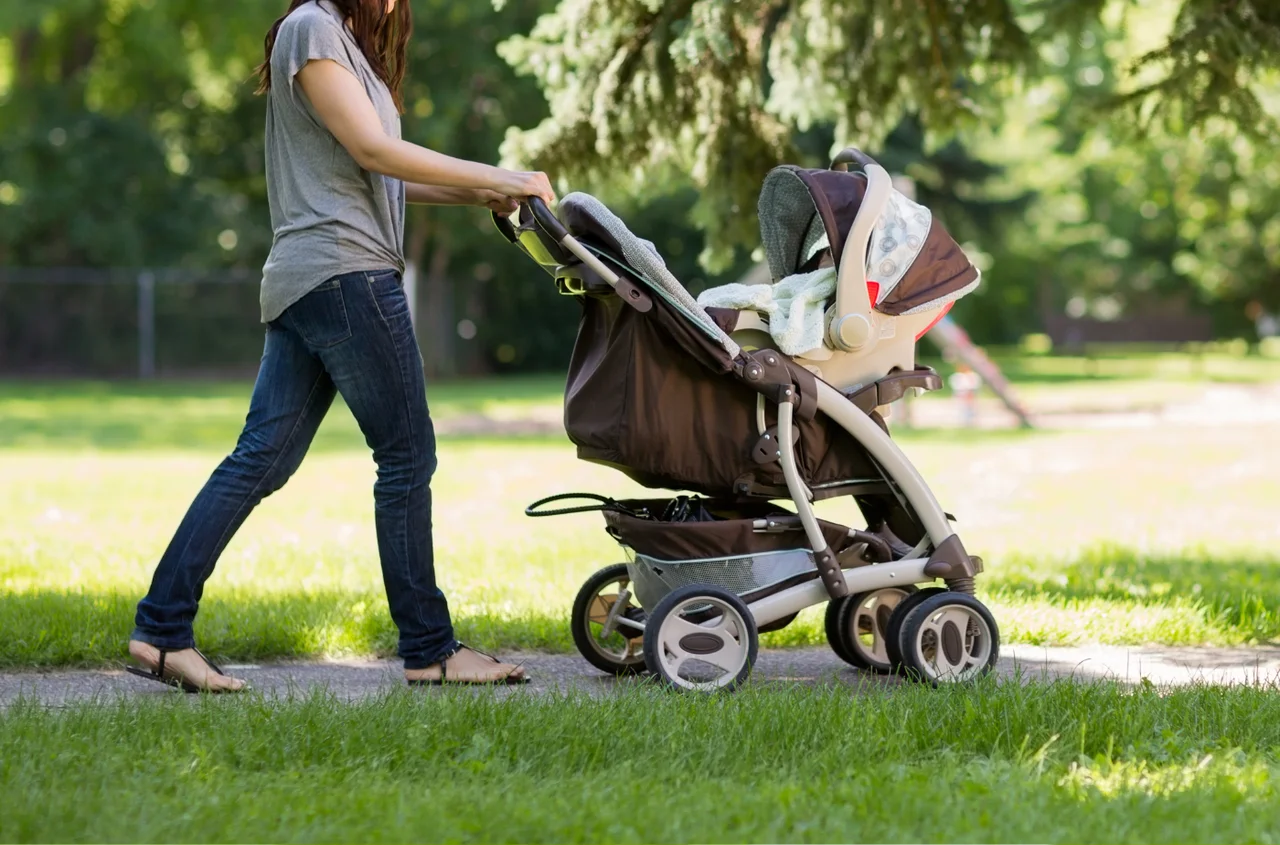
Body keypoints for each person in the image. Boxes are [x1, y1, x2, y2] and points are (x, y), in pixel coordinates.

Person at [126, 0, 555, 692]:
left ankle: (161, 629)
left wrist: (481, 191)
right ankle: (429, 647)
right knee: (408, 454)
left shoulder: (350, 49)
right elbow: (373, 150)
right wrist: (502, 174)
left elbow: (381, 173)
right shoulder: (312, 28)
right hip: (344, 273)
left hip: (316, 279)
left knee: (260, 459)